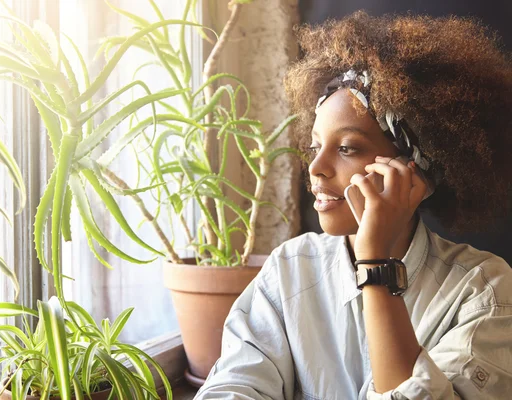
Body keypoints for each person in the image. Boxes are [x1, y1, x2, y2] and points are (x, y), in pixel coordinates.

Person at [195, 11, 512, 400]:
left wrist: (377, 264)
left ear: (416, 173)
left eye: (346, 148)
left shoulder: (483, 290)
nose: (315, 167)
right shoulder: (288, 270)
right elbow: (231, 389)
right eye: (315, 145)